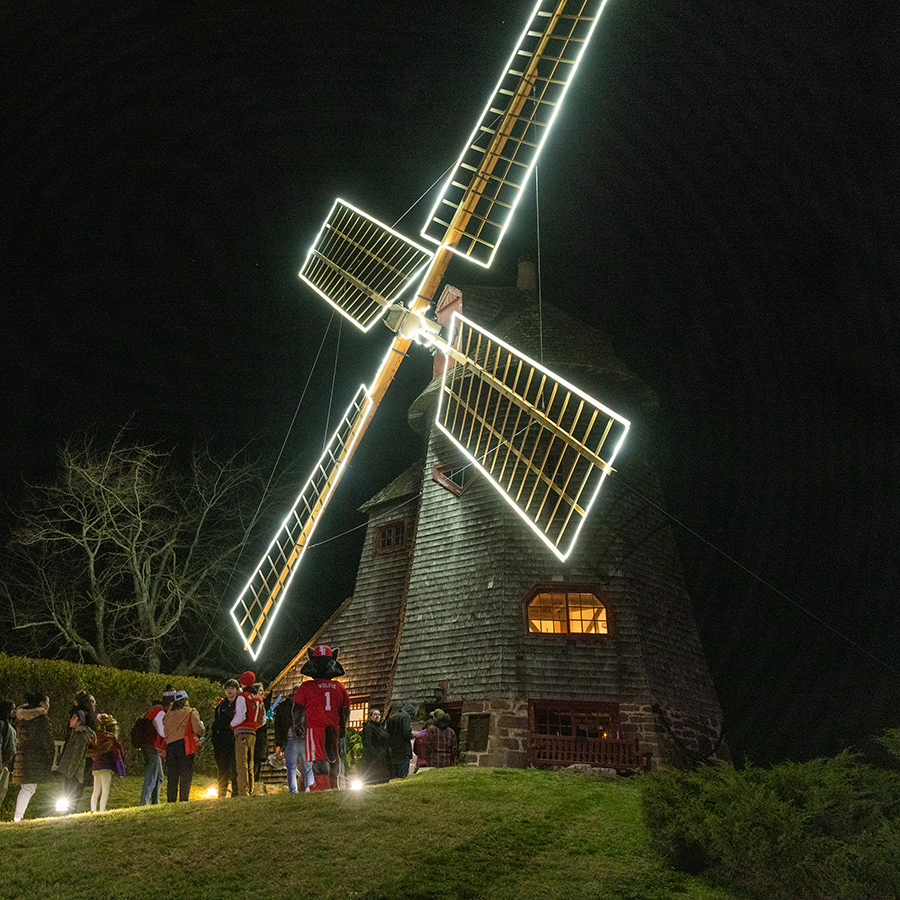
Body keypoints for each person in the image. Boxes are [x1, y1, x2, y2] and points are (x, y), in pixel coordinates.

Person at [292, 645, 350, 791]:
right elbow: (346, 710)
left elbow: (297, 709)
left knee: (319, 757)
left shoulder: (306, 687)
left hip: (315, 728)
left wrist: (298, 726)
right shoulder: (339, 687)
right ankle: (334, 786)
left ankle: (322, 787)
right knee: (333, 756)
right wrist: (343, 727)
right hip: (333, 728)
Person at [12, 692, 54, 822]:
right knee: (28, 788)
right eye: (47, 703)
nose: (48, 706)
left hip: (22, 756)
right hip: (35, 758)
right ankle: (18, 817)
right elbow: (48, 741)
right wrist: (50, 757)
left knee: (28, 787)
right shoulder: (41, 719)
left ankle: (19, 816)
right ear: (42, 704)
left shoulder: (21, 718)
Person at [162, 690, 204, 802]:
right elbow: (197, 729)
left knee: (172, 777)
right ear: (186, 700)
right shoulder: (191, 712)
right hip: (184, 746)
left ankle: (171, 801)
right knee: (185, 775)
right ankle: (183, 800)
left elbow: (165, 731)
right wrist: (202, 730)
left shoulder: (168, 715)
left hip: (170, 747)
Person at [230, 671, 264, 796]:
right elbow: (262, 719)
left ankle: (243, 791)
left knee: (241, 763)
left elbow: (241, 715)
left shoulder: (242, 697)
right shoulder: (259, 699)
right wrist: (255, 726)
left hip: (242, 733)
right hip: (253, 733)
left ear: (242, 683)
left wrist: (232, 725)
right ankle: (251, 789)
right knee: (251, 763)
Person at [274, 684, 312, 793]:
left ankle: (303, 789)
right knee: (293, 768)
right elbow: (279, 727)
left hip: (303, 740)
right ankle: (295, 790)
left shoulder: (306, 705)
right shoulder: (284, 707)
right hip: (290, 740)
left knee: (303, 767)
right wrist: (279, 745)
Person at [56, 708, 96, 812]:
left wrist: (69, 773)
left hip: (75, 773)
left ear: (80, 721)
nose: (70, 720)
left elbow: (76, 756)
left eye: (74, 718)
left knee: (71, 794)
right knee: (69, 794)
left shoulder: (81, 736)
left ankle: (70, 813)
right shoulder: (75, 733)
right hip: (71, 771)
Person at [87, 714, 126, 813]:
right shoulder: (111, 740)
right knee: (105, 790)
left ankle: (93, 809)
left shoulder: (95, 737)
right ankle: (102, 810)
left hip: (95, 767)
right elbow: (118, 757)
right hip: (106, 767)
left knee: (96, 790)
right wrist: (121, 772)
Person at [139, 690, 171, 806]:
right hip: (154, 747)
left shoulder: (150, 712)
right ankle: (145, 803)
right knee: (152, 775)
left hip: (148, 746)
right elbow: (162, 732)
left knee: (159, 776)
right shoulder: (160, 712)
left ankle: (155, 802)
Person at [211, 678, 239, 798]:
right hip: (222, 741)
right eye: (228, 688)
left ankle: (236, 792)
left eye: (232, 688)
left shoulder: (239, 703)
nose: (229, 690)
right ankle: (221, 793)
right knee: (222, 768)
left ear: (237, 690)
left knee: (235, 767)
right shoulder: (221, 705)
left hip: (234, 739)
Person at [360, 707, 391, 785]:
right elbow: (367, 743)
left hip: (384, 757)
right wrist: (376, 754)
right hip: (374, 759)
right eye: (375, 714)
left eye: (379, 715)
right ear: (370, 717)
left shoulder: (381, 727)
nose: (377, 716)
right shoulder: (368, 727)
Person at [387, 700, 416, 779]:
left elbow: (387, 733)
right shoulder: (406, 716)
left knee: (394, 775)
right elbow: (406, 732)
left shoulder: (392, 717)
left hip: (393, 750)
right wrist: (411, 735)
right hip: (403, 749)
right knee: (403, 775)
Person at [252, 683, 270, 789]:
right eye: (260, 690)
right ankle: (252, 784)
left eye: (263, 690)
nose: (262, 693)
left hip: (262, 738)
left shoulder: (263, 705)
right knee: (253, 762)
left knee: (258, 763)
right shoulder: (254, 704)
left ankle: (257, 783)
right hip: (256, 736)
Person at [0, 699, 17, 807]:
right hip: (2, 763)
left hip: (6, 763)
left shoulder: (10, 726)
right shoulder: (2, 725)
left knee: (3, 789)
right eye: (12, 709)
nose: (14, 712)